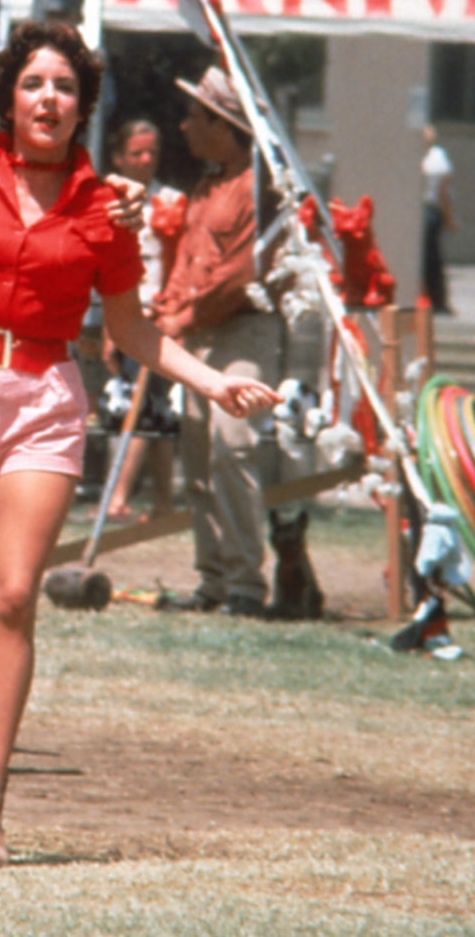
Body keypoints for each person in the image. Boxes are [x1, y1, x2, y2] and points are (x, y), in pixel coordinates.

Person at [0, 21, 279, 866]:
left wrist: (214, 382)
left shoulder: (106, 208)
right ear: (8, 96)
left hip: (42, 397)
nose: (48, 98)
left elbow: (133, 329)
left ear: (82, 107)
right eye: (33, 82)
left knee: (11, 597)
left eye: (64, 87)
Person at [155, 67, 289, 618]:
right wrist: (165, 309)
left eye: (195, 117)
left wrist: (181, 317)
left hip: (243, 330)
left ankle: (246, 585)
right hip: (195, 333)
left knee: (232, 443)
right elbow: (187, 262)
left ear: (223, 126)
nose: (184, 126)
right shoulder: (206, 186)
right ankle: (212, 579)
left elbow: (238, 274)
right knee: (197, 451)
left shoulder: (261, 190)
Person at [100, 117, 180, 522]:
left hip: (161, 316)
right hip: (125, 311)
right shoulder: (108, 201)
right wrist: (108, 329)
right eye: (137, 153)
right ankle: (162, 501)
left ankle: (120, 497)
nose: (146, 160)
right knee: (145, 403)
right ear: (119, 157)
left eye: (152, 152)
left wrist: (172, 311)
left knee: (145, 402)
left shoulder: (172, 201)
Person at [420, 126, 454, 315]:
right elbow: (444, 193)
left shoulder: (431, 158)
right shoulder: (437, 158)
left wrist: (448, 217)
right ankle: (436, 300)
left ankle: (433, 299)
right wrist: (449, 218)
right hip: (429, 210)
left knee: (428, 258)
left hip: (426, 210)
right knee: (431, 258)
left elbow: (443, 193)